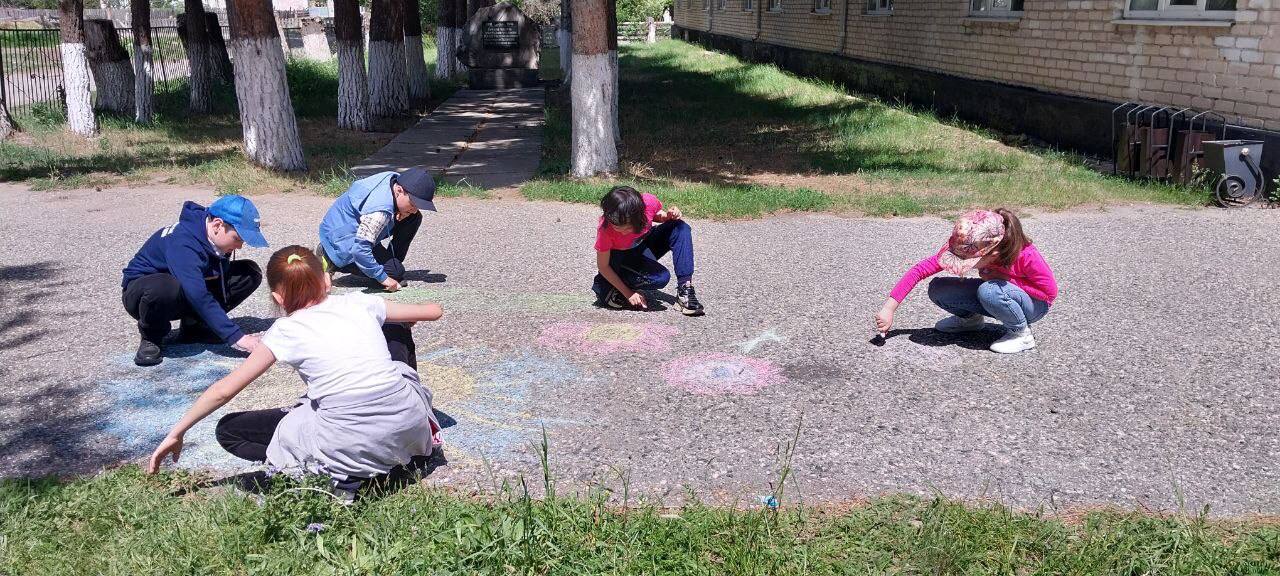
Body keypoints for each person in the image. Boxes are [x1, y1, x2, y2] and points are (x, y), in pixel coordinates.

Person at [146, 246, 444, 493]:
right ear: (327, 282)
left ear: (278, 298)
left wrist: (177, 432)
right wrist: (402, 318)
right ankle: (403, 454)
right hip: (409, 424)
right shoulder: (359, 303)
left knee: (230, 431)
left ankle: (328, 469)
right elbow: (434, 311)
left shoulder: (284, 330)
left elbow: (223, 391)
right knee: (396, 328)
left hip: (348, 434)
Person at [874, 208, 1057, 354]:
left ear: (992, 254)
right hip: (999, 294)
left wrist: (1003, 278)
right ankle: (970, 321)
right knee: (939, 288)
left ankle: (1021, 334)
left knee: (990, 290)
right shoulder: (973, 244)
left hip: (1033, 306)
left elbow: (1049, 293)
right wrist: (889, 308)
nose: (962, 263)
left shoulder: (1026, 255)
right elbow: (919, 270)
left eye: (967, 260)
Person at [121, 195, 268, 367]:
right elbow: (198, 294)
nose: (240, 246)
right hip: (144, 294)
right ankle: (151, 337)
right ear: (217, 225)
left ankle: (195, 327)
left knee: (248, 273)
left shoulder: (212, 235)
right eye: (237, 239)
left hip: (183, 289)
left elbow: (206, 281)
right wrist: (236, 337)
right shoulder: (183, 243)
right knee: (164, 287)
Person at [317, 168, 437, 293]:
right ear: (399, 190)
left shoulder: (393, 179)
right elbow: (359, 251)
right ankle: (330, 258)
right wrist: (383, 278)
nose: (414, 209)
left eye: (418, 206)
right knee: (394, 273)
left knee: (413, 218)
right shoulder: (379, 211)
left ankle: (391, 261)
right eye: (413, 204)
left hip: (343, 228)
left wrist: (401, 210)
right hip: (342, 242)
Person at [592, 185, 705, 316]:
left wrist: (668, 216)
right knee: (660, 278)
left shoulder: (648, 203)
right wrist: (629, 294)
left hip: (642, 250)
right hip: (621, 261)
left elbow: (656, 215)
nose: (621, 232)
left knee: (680, 227)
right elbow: (603, 266)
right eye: (616, 227)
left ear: (638, 216)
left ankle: (685, 289)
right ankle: (607, 288)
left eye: (626, 228)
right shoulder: (606, 228)